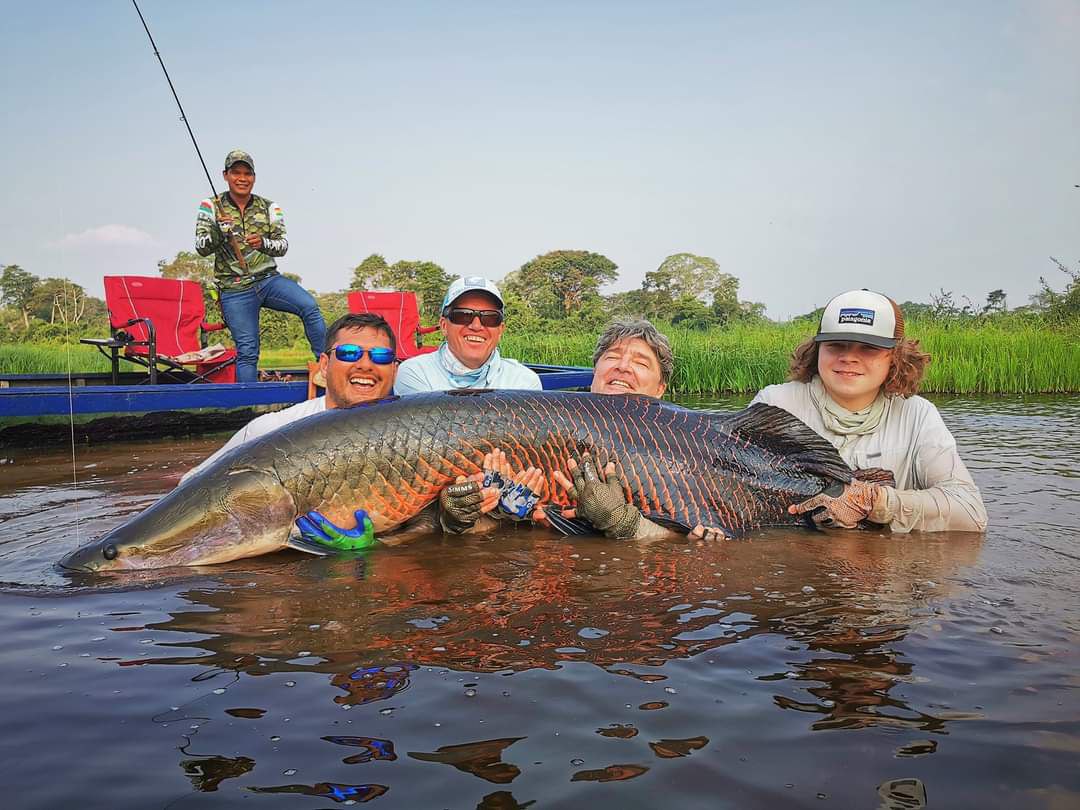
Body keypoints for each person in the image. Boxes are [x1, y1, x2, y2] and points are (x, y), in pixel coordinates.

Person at [748, 289, 987, 533]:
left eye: (868, 348)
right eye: (835, 345)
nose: (848, 357)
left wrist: (876, 501)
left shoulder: (917, 415)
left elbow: (971, 512)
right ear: (817, 349)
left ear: (895, 357)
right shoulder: (774, 404)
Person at [181, 312, 397, 485]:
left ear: (395, 370)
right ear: (324, 365)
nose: (365, 365)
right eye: (349, 353)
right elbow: (190, 486)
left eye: (381, 356)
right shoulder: (270, 430)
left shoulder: (408, 434)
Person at [195, 149, 326, 382]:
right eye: (236, 173)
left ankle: (326, 368)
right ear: (225, 175)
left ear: (254, 177)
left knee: (309, 307)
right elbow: (201, 246)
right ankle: (247, 401)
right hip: (234, 288)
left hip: (268, 280)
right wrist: (219, 232)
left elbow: (282, 246)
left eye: (247, 174)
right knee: (247, 351)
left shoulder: (270, 206)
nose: (242, 178)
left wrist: (263, 243)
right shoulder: (210, 205)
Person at [393, 276, 542, 394]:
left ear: (500, 330)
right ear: (444, 326)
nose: (476, 326)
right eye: (463, 315)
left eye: (489, 318)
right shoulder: (415, 373)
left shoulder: (524, 381)